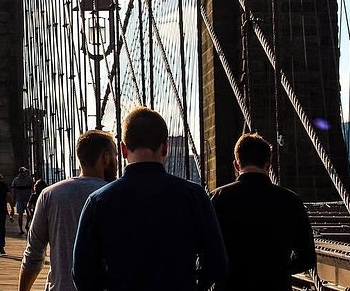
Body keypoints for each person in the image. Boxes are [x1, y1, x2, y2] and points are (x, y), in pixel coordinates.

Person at [72, 106, 227, 291]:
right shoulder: (195, 196)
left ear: (123, 149)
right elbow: (217, 265)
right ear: (165, 147)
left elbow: (82, 273)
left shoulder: (98, 201)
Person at [210, 133, 316, 290]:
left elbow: (205, 251)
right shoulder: (291, 201)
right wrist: (279, 270)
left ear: (236, 165)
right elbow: (307, 258)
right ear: (268, 165)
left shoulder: (217, 198)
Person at [19, 131, 117, 291]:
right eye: (115, 156)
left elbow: (33, 255)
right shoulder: (118, 197)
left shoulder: (50, 194)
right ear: (105, 158)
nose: (116, 161)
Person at [11, 166, 35, 234]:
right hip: (27, 199)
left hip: (20, 199)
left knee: (20, 215)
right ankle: (26, 225)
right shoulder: (29, 179)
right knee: (29, 213)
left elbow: (13, 191)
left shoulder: (15, 180)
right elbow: (33, 188)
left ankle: (21, 229)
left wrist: (13, 200)